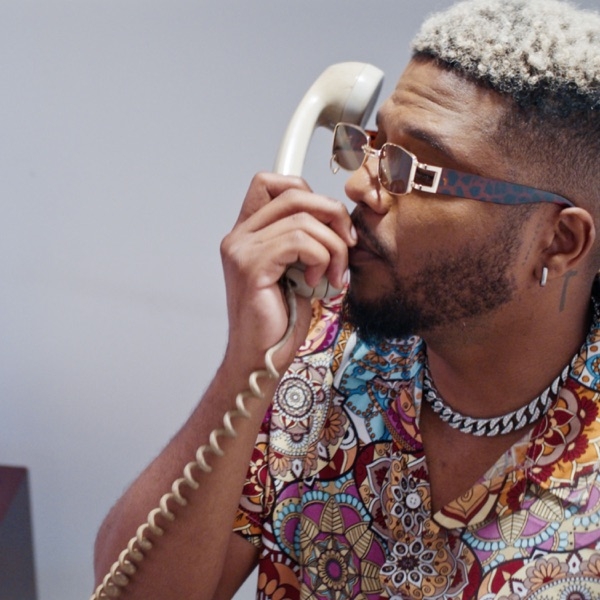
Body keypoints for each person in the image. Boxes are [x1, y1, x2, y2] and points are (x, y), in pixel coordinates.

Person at [92, 0, 600, 598]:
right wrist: (248, 363)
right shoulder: (317, 350)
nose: (359, 185)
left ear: (559, 241)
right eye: (375, 146)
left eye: (417, 171)